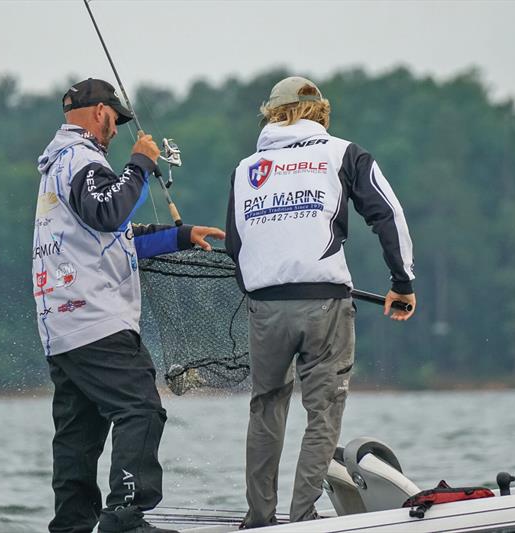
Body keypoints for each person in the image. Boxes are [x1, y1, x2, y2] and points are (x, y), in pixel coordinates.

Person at [33, 78, 225, 533]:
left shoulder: (58, 165)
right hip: (97, 321)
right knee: (141, 409)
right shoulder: (82, 159)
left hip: (63, 329)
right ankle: (124, 515)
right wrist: (140, 162)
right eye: (114, 120)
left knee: (78, 437)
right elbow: (109, 212)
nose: (116, 130)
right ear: (100, 113)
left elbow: (109, 237)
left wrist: (180, 235)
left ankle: (71, 525)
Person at [225, 76, 416, 528]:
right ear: (321, 113)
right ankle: (304, 515)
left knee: (266, 407)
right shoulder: (343, 153)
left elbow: (237, 244)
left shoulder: (244, 168)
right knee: (323, 410)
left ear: (272, 113)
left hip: (264, 307)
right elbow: (387, 214)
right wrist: (402, 281)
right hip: (325, 304)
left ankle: (259, 519)